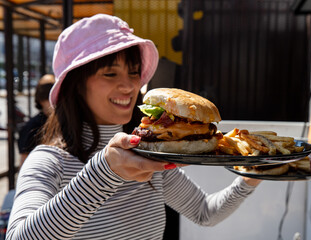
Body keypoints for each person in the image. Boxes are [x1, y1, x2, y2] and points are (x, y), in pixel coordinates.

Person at [6, 14, 261, 240]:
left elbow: (204, 212)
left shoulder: (150, 155)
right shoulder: (49, 162)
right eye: (110, 73)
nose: (129, 86)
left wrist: (250, 177)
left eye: (134, 72)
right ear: (76, 84)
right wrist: (104, 171)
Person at [17, 74, 55, 165]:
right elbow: (24, 161)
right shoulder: (32, 126)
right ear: (41, 100)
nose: (55, 102)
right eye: (50, 98)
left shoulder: (65, 122)